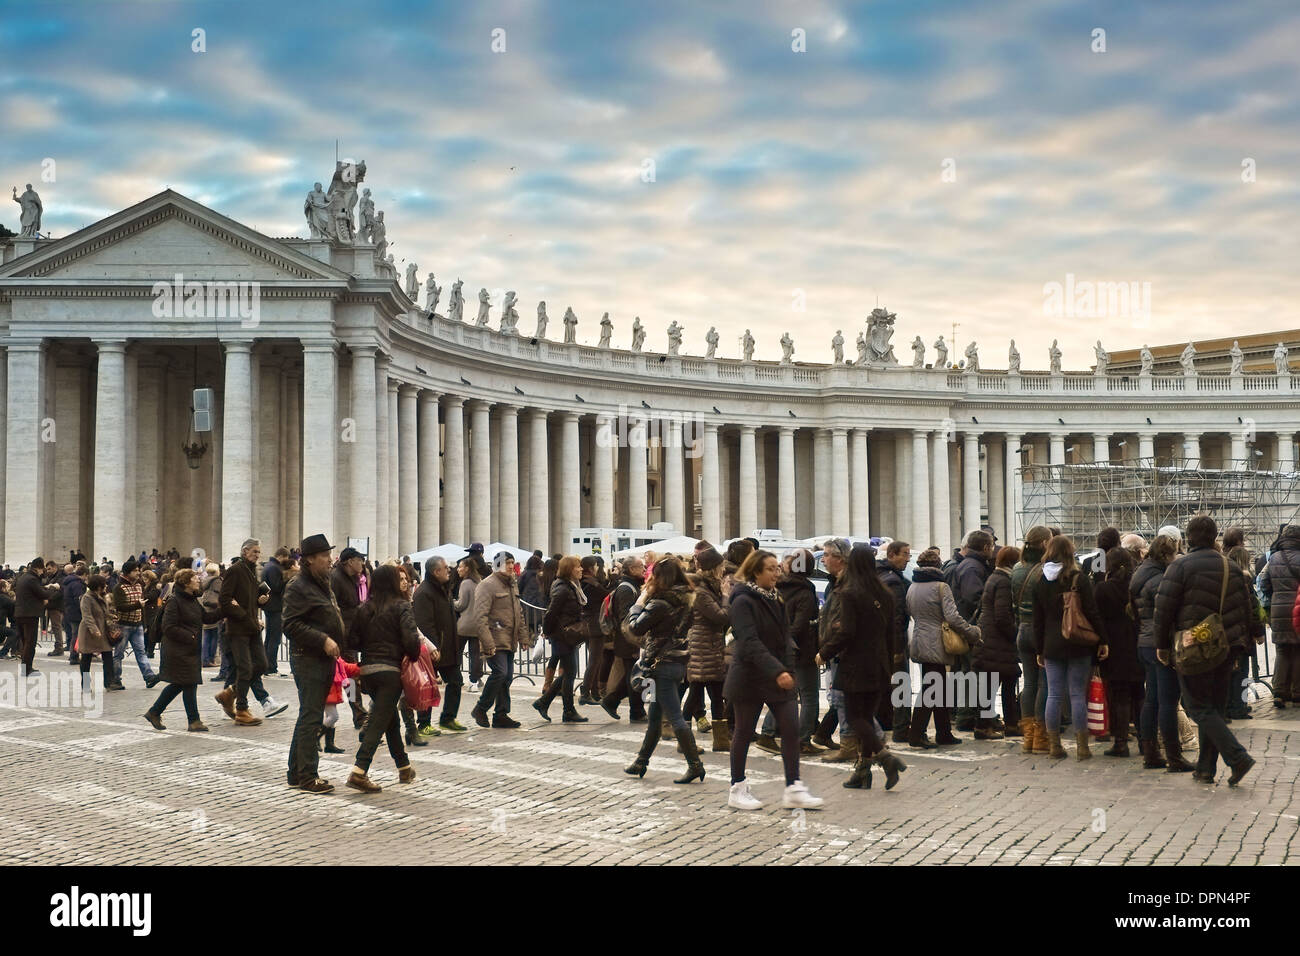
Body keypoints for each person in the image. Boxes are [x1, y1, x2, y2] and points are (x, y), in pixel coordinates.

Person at [1154, 515, 1257, 786]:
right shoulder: (1231, 567)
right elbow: (1247, 607)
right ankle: (1205, 769)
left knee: (1198, 706)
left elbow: (1163, 610)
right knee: (1214, 708)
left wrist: (1162, 646)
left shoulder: (1180, 567)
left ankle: (1237, 757)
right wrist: (1246, 640)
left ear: (1189, 538)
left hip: (1193, 647)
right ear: (1214, 538)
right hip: (1226, 648)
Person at [725, 550, 824, 810]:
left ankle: (793, 786)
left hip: (777, 673)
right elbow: (748, 642)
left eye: (777, 568)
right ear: (755, 572)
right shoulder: (742, 600)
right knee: (744, 732)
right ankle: (737, 787)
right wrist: (777, 670)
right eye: (770, 569)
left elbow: (785, 637)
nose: (776, 573)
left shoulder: (776, 597)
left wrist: (788, 668)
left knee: (791, 728)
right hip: (749, 675)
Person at [817, 543, 907, 789]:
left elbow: (846, 631)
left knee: (856, 718)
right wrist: (889, 664)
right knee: (866, 717)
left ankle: (886, 759)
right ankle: (862, 772)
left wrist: (824, 652)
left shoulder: (850, 593)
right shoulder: (885, 593)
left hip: (855, 663)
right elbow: (892, 635)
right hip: (879, 664)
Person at [622, 556, 705, 784]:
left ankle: (695, 765)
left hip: (661, 665)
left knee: (675, 717)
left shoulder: (659, 603)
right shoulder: (687, 599)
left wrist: (639, 603)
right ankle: (641, 761)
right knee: (656, 716)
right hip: (676, 662)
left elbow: (635, 627)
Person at [345, 565, 426, 793]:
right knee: (378, 722)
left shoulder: (364, 608)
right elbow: (412, 643)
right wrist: (409, 653)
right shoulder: (401, 606)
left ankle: (404, 767)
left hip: (368, 671)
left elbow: (353, 641)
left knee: (390, 720)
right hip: (390, 671)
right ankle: (359, 771)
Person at [1032, 535, 1108, 760]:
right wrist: (1102, 639)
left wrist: (1039, 649)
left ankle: (1055, 745)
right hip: (1078, 642)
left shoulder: (1040, 581)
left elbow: (1038, 620)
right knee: (1077, 694)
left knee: (1054, 694)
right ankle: (1082, 747)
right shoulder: (1078, 578)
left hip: (1052, 644)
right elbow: (1092, 612)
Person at [283, 534, 345, 794]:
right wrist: (322, 640)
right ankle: (309, 775)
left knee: (308, 714)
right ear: (310, 560)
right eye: (324, 556)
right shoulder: (298, 586)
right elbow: (290, 624)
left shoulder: (322, 583)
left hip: (323, 657)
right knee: (311, 716)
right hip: (308, 658)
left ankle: (295, 772)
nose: (330, 560)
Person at [906, 548, 981, 748]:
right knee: (932, 689)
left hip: (919, 639)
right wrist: (972, 632)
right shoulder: (941, 587)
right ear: (938, 565)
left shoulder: (912, 586)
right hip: (936, 642)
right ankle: (917, 734)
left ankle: (944, 732)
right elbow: (952, 617)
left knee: (937, 687)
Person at [143, 569, 223, 732]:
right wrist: (191, 636)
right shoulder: (175, 601)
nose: (198, 581)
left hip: (188, 650)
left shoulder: (192, 600)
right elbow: (169, 627)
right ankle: (193, 721)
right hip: (177, 650)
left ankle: (155, 712)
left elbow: (206, 618)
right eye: (195, 578)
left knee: (182, 683)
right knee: (187, 683)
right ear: (186, 583)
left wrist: (224, 609)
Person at [1131, 533, 1184, 770]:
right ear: (1166, 554)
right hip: (1159, 644)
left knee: (1151, 699)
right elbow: (1165, 616)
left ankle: (1150, 751)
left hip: (1143, 642)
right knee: (1167, 701)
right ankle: (1174, 755)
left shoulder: (1140, 574)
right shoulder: (1159, 579)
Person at [763, 549, 819, 753]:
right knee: (809, 696)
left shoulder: (778, 588)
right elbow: (802, 625)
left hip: (783, 648)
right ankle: (802, 740)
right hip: (802, 649)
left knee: (786, 693)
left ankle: (768, 733)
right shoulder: (806, 591)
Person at [469, 551, 530, 728]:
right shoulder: (486, 585)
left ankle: (501, 714)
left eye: (512, 562)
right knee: (501, 673)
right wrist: (487, 643)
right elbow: (480, 617)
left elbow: (519, 613)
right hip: (494, 638)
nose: (510, 566)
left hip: (509, 639)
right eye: (506, 562)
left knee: (507, 677)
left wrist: (523, 637)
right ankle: (481, 708)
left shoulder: (512, 584)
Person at [1094, 547, 1142, 757]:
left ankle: (1120, 742)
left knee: (1119, 695)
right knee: (1140, 693)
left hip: (1113, 646)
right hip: (1138, 643)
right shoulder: (1138, 585)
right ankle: (1146, 742)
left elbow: (1097, 619)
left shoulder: (1103, 589)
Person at [217, 539, 270, 726]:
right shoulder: (235, 570)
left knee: (262, 664)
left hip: (253, 627)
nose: (257, 555)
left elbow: (248, 598)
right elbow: (224, 599)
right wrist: (241, 614)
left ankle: (230, 692)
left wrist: (260, 600)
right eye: (255, 552)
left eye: (258, 552)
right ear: (244, 551)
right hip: (238, 628)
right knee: (245, 668)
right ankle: (241, 709)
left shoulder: (252, 571)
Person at [683, 547, 731, 751]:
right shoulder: (701, 591)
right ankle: (684, 740)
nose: (724, 570)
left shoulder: (709, 587)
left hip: (710, 645)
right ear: (714, 568)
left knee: (714, 692)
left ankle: (721, 741)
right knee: (696, 691)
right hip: (702, 647)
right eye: (721, 567)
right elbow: (720, 616)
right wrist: (727, 596)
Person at [973, 546, 1021, 740]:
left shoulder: (995, 577)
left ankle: (1009, 724)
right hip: (997, 642)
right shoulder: (1003, 581)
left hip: (992, 641)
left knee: (1003, 683)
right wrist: (1014, 634)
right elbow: (1002, 616)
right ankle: (984, 727)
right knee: (995, 685)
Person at [534, 555, 590, 723]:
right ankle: (568, 711)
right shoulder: (562, 588)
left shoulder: (572, 585)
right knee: (570, 673)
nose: (581, 569)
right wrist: (549, 632)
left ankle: (544, 703)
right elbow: (551, 613)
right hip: (562, 635)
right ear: (568, 569)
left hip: (567, 635)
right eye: (577, 566)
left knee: (569, 672)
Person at [413, 556, 466, 733]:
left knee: (456, 681)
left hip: (448, 648)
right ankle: (423, 723)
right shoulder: (424, 592)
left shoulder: (444, 589)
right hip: (434, 649)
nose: (449, 570)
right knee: (427, 685)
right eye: (445, 568)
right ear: (436, 571)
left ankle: (448, 718)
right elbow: (424, 624)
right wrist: (433, 647)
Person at [1012, 526, 1051, 753]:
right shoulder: (1046, 570)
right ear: (1045, 543)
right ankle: (1041, 737)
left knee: (1029, 683)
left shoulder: (1017, 568)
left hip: (1022, 630)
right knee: (1045, 683)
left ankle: (1028, 738)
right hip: (1040, 631)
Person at [950, 531, 994, 731]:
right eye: (991, 546)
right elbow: (973, 597)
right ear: (985, 547)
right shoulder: (972, 567)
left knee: (971, 673)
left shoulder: (972, 565)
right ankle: (967, 717)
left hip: (970, 625)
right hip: (972, 627)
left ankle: (970, 715)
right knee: (971, 674)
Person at [599, 556, 648, 723]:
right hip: (628, 639)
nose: (644, 569)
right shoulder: (626, 589)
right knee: (633, 676)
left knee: (632, 675)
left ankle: (612, 701)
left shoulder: (631, 586)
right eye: (641, 566)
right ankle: (636, 711)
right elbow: (625, 618)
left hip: (630, 639)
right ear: (632, 569)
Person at [1260, 524, 1300, 708]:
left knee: (1283, 650)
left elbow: (1263, 583)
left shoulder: (1274, 558)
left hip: (1278, 610)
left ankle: (1279, 692)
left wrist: (1275, 597)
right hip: (1297, 609)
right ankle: (1297, 692)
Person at [877, 541, 912, 744]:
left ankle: (885, 723)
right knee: (901, 685)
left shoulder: (880, 575)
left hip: (880, 642)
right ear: (891, 554)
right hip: (893, 643)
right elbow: (897, 618)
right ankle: (901, 729)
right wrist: (898, 647)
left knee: (885, 685)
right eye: (904, 554)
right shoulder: (893, 581)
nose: (908, 558)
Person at [111, 559, 159, 688]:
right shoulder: (119, 588)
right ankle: (115, 679)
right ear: (127, 573)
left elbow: (141, 607)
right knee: (119, 654)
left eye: (138, 570)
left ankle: (149, 677)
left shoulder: (139, 585)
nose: (138, 573)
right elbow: (120, 607)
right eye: (135, 571)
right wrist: (138, 605)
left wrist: (143, 624)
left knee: (141, 652)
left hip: (137, 625)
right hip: (123, 625)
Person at [76, 574, 117, 691]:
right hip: (89, 632)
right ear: (98, 586)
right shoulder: (87, 598)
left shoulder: (102, 596)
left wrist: (111, 615)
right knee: (86, 658)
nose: (106, 586)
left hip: (102, 630)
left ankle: (109, 682)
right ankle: (86, 685)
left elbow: (103, 612)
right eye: (104, 584)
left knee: (108, 655)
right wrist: (94, 630)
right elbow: (87, 616)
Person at [578, 556, 609, 705]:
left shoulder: (585, 583)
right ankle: (585, 692)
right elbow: (607, 595)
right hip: (594, 624)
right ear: (591, 568)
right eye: (596, 566)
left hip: (591, 623)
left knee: (597, 659)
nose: (598, 568)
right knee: (595, 660)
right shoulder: (591, 584)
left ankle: (595, 692)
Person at [454, 556, 483, 689]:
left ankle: (456, 678)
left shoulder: (465, 583)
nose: (458, 569)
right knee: (475, 655)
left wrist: (452, 602)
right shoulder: (479, 582)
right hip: (477, 623)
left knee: (457, 652)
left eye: (460, 566)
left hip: (465, 624)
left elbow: (461, 605)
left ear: (467, 568)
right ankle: (474, 681)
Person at [263, 547, 292, 676]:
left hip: (270, 606)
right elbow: (276, 586)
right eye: (286, 558)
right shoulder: (274, 568)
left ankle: (267, 665)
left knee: (270, 637)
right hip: (275, 606)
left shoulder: (268, 566)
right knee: (274, 638)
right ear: (281, 556)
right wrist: (287, 579)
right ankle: (271, 666)